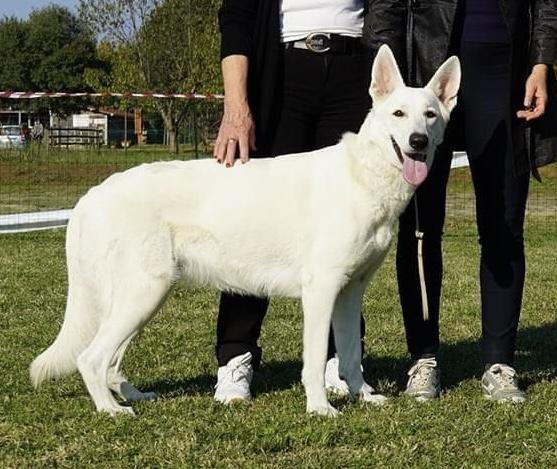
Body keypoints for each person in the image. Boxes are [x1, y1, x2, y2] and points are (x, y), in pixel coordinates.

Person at [364, 0, 557, 401]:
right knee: (419, 230)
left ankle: (500, 364)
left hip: (503, 69)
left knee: (503, 224)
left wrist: (542, 62)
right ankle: (423, 359)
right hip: (422, 68)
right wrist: (394, 83)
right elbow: (386, 6)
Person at [212, 0, 387, 404]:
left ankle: (339, 361)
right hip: (283, 74)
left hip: (352, 75)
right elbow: (237, 17)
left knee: (347, 233)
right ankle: (236, 356)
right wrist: (236, 105)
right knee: (256, 222)